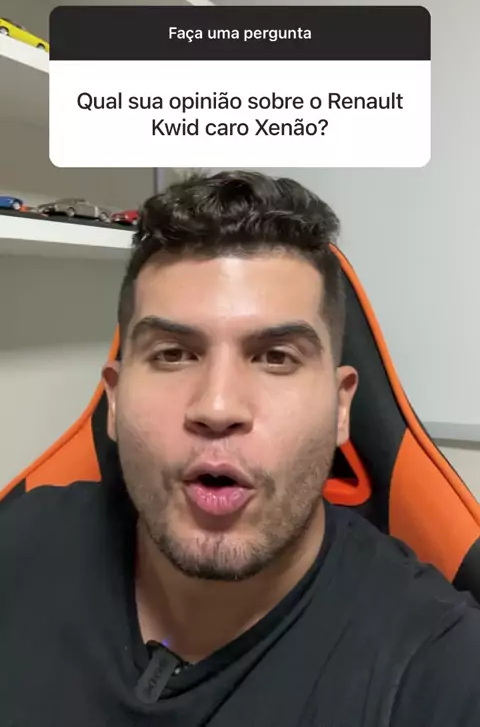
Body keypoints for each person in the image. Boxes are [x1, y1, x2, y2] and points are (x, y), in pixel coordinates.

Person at [1, 170, 480, 727]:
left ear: (341, 408)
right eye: (173, 354)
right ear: (114, 398)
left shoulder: (441, 667)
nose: (218, 406)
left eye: (276, 357)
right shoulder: (18, 543)